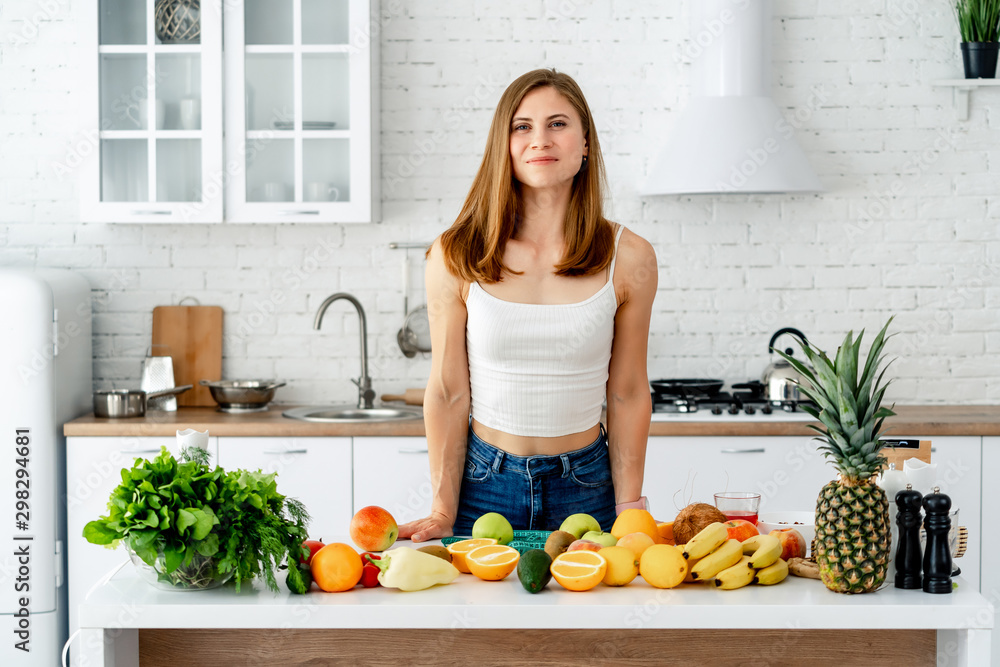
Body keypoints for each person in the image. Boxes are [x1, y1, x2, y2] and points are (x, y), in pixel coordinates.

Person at [398, 69, 656, 542]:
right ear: (505, 145)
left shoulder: (630, 256)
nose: (540, 139)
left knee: (593, 616)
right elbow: (448, 390)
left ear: (585, 144)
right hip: (483, 486)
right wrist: (441, 508)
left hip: (589, 487)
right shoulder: (455, 254)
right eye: (523, 126)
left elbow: (628, 393)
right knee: (479, 615)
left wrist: (629, 507)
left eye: (558, 123)